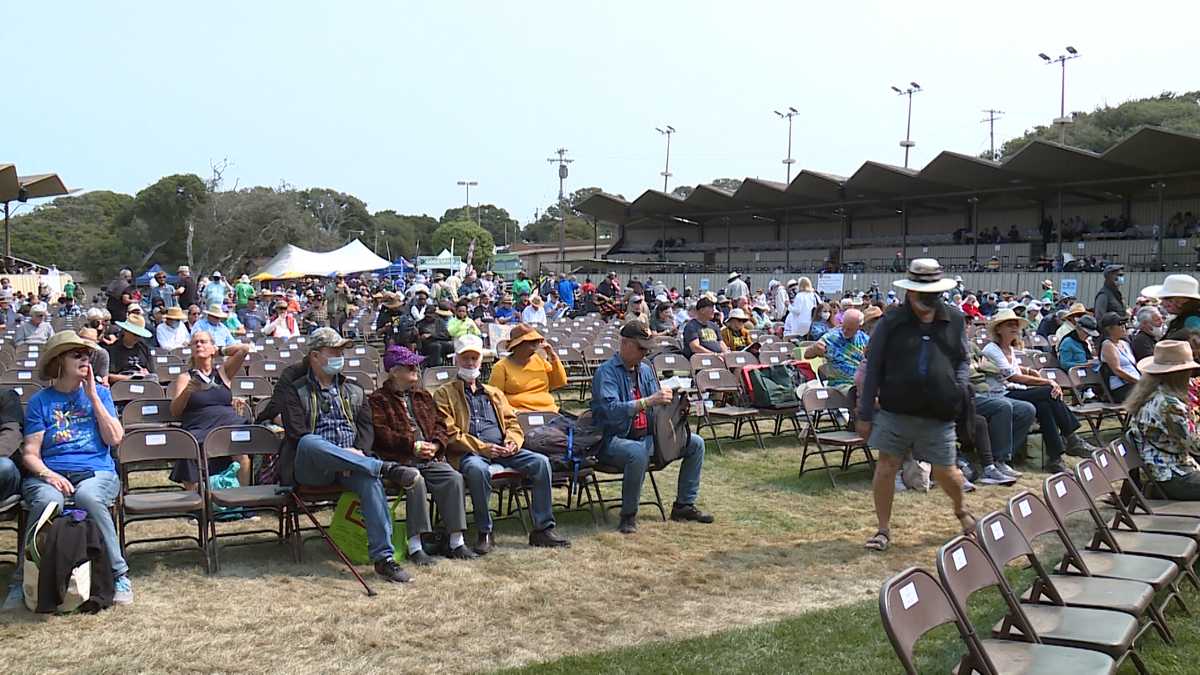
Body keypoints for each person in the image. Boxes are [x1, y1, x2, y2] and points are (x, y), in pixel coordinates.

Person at [269, 327, 420, 584]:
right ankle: (383, 467)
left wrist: (357, 453)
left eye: (342, 351)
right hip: (313, 466)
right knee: (309, 441)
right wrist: (340, 455)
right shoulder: (295, 390)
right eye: (334, 351)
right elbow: (296, 433)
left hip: (353, 463)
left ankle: (384, 560)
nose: (341, 356)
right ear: (315, 356)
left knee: (369, 481)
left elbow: (365, 429)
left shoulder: (355, 390)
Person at [857, 259, 971, 552]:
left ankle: (961, 511)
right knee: (886, 467)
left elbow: (963, 359)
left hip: (939, 411)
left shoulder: (955, 319)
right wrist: (865, 413)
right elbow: (874, 369)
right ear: (910, 293)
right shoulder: (891, 322)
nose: (929, 303)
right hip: (896, 410)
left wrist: (958, 386)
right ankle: (882, 529)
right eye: (924, 296)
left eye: (934, 296)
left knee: (947, 472)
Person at [20, 331, 131, 604]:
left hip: (96, 472)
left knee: (87, 497)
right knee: (47, 501)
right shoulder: (40, 402)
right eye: (77, 354)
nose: (85, 360)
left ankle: (119, 574)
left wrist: (93, 396)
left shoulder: (100, 395)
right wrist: (48, 474)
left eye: (88, 356)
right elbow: (31, 454)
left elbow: (115, 438)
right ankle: (25, 577)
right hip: (51, 474)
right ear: (59, 361)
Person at [433, 334, 569, 554]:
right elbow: (450, 433)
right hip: (470, 452)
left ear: (480, 361)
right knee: (478, 470)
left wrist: (513, 441)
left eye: (474, 358)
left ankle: (543, 529)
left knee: (541, 462)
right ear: (456, 360)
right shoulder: (444, 394)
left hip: (503, 449)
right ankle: (485, 531)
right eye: (465, 358)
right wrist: (483, 448)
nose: (470, 363)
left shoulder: (494, 393)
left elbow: (513, 422)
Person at [591, 321, 712, 533]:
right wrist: (647, 402)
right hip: (612, 440)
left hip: (647, 436)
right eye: (641, 348)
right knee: (636, 452)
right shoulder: (606, 373)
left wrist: (676, 407)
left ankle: (683, 505)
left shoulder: (645, 370)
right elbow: (611, 410)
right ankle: (628, 515)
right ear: (625, 344)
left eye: (647, 348)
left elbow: (658, 407)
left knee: (696, 443)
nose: (644, 352)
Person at [369, 345, 477, 562]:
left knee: (453, 477)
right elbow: (381, 434)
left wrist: (436, 445)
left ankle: (456, 542)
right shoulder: (378, 400)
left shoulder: (422, 395)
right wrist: (413, 446)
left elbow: (440, 425)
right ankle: (416, 546)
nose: (416, 369)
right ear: (394, 371)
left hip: (430, 456)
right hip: (398, 460)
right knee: (415, 481)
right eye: (410, 366)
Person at [985, 308, 1096, 473]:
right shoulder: (992, 349)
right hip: (1001, 394)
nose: (1014, 328)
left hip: (1015, 390)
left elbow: (1013, 370)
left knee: (1044, 406)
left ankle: (1055, 458)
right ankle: (1071, 438)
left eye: (1016, 325)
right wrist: (1047, 381)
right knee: (1047, 391)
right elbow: (1012, 376)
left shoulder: (1008, 348)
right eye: (1009, 325)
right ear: (998, 329)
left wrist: (1028, 371)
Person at [167, 333, 252, 489]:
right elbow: (175, 411)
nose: (199, 345)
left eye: (203, 342)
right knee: (189, 450)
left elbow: (244, 349)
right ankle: (199, 506)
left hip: (227, 425)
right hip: (199, 428)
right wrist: (188, 391)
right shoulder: (185, 378)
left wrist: (217, 351)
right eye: (195, 343)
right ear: (191, 350)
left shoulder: (223, 373)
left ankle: (242, 504)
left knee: (241, 452)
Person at [1126, 340, 1200, 499]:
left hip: (1166, 471)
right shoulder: (1169, 405)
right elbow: (1196, 445)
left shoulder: (1150, 393)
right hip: (1174, 477)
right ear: (1179, 374)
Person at [488, 324, 567, 413]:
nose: (536, 345)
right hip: (520, 413)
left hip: (549, 411)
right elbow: (495, 397)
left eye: (537, 341)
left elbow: (560, 382)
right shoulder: (501, 367)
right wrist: (511, 411)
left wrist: (552, 356)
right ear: (518, 345)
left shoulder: (540, 360)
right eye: (531, 342)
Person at [803, 308, 867, 391]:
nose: (844, 331)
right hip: (840, 384)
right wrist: (814, 349)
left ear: (859, 327)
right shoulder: (831, 337)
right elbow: (807, 355)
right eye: (843, 327)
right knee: (857, 392)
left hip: (861, 382)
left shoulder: (865, 339)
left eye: (849, 329)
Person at [1098, 312, 1140, 403]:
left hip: (1135, 383)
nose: (1124, 327)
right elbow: (1117, 371)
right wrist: (1138, 382)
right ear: (1109, 329)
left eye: (1124, 324)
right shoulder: (1107, 345)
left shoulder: (1125, 343)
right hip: (1121, 387)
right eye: (1120, 324)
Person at [105, 317, 153, 383]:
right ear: (125, 331)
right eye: (135, 334)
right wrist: (131, 378)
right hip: (122, 385)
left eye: (139, 335)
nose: (137, 338)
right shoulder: (112, 350)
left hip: (143, 383)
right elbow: (109, 376)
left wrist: (147, 374)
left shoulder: (144, 348)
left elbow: (151, 372)